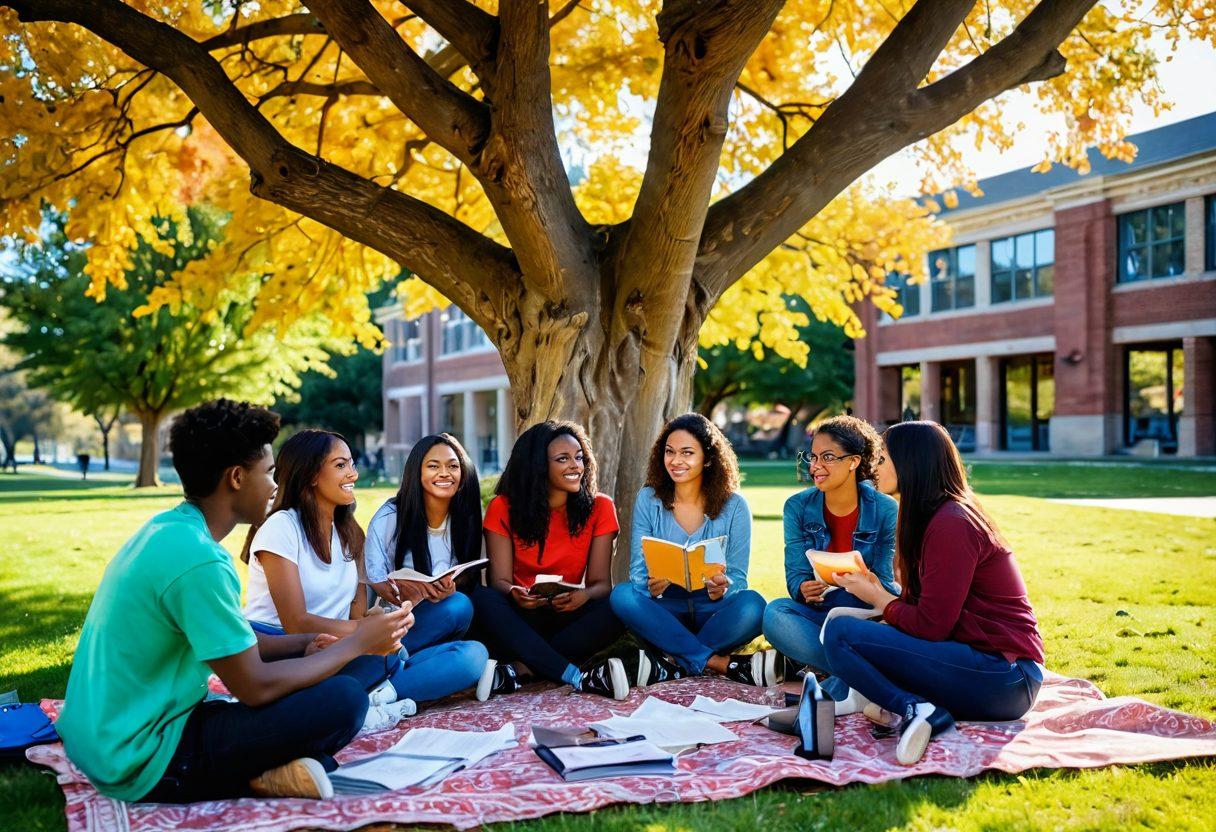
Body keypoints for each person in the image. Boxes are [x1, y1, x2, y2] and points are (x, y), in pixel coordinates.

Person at [56, 400, 410, 803]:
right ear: (237, 478)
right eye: (269, 473)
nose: (277, 485)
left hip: (117, 733)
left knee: (326, 689)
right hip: (142, 757)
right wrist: (358, 642)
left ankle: (281, 767)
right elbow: (254, 688)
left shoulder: (168, 530)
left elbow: (238, 642)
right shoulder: (201, 561)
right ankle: (262, 775)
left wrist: (302, 645)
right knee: (343, 700)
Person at [821, 421, 1045, 765]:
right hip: (978, 663)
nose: (874, 468)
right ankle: (896, 703)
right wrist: (880, 591)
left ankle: (916, 708)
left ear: (911, 462)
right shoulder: (932, 517)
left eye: (882, 459)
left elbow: (931, 626)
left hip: (1007, 678)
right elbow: (927, 612)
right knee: (841, 621)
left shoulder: (953, 522)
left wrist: (879, 599)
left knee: (841, 633)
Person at [241, 430, 485, 706]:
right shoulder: (282, 527)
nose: (353, 475)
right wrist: (368, 632)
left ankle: (378, 691)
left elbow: (357, 613)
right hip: (291, 651)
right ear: (311, 475)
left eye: (352, 464)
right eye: (341, 465)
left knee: (472, 652)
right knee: (394, 657)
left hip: (341, 646)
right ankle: (377, 689)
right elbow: (296, 623)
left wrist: (398, 611)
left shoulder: (349, 533)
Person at [610, 413, 775, 687]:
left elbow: (737, 576)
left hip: (713, 609)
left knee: (754, 605)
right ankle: (715, 662)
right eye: (670, 452)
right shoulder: (648, 499)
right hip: (665, 608)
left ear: (708, 458)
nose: (676, 461)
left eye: (687, 453)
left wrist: (722, 588)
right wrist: (651, 588)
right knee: (623, 595)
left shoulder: (734, 506)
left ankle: (671, 664)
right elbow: (638, 572)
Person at [470, 421, 628, 700]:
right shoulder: (503, 508)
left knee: (618, 605)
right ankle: (575, 674)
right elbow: (499, 582)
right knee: (482, 599)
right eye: (562, 459)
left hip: (567, 617)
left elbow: (602, 584)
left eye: (579, 457)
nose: (575, 465)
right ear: (538, 466)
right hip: (520, 617)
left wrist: (583, 595)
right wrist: (515, 593)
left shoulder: (600, 507)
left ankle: (523, 667)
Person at [762, 414, 899, 711]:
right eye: (812, 457)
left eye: (827, 457)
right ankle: (864, 675)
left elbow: (887, 585)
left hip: (864, 614)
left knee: (894, 611)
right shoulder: (797, 507)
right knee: (775, 613)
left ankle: (843, 684)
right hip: (821, 612)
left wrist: (867, 582)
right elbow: (795, 576)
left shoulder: (886, 509)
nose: (815, 467)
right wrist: (803, 589)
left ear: (853, 462)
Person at [363, 434, 486, 680]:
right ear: (416, 472)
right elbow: (374, 581)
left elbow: (469, 576)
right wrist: (406, 592)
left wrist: (448, 588)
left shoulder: (466, 517)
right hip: (396, 620)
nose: (444, 473)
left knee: (467, 625)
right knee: (460, 608)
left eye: (453, 466)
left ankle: (393, 674)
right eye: (433, 466)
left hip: (442, 613)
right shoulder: (390, 517)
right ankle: (382, 666)